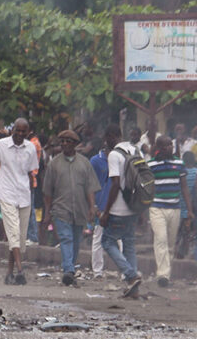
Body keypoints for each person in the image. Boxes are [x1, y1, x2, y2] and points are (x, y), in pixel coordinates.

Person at [42, 129, 100, 287]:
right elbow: (48, 191)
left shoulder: (84, 163)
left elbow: (90, 188)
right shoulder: (54, 164)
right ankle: (68, 269)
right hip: (61, 209)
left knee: (75, 241)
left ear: (75, 144)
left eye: (68, 141)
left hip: (80, 209)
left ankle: (70, 270)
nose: (65, 144)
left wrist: (92, 207)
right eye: (63, 141)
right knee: (66, 238)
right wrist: (47, 212)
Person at [0, 119, 38, 286]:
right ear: (12, 130)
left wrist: (32, 193)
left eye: (24, 132)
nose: (20, 134)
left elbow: (31, 173)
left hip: (24, 195)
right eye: (17, 131)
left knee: (19, 238)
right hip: (6, 192)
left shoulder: (30, 147)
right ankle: (21, 271)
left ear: (28, 133)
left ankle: (9, 273)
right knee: (13, 232)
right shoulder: (1, 145)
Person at [101, 124, 143, 297]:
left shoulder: (114, 155)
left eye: (106, 139)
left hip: (118, 209)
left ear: (112, 136)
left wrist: (106, 211)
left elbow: (116, 184)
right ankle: (134, 287)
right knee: (129, 245)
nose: (106, 143)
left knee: (108, 242)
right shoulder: (135, 150)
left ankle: (131, 275)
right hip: (133, 206)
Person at [148, 136, 191, 287]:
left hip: (175, 207)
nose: (170, 148)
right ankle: (163, 275)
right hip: (157, 207)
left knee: (171, 243)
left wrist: (189, 211)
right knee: (160, 239)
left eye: (171, 145)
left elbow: (184, 187)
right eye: (167, 145)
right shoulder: (151, 164)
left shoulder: (179, 163)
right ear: (159, 147)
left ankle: (166, 273)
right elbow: (147, 187)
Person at [88, 141, 111, 279]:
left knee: (119, 239)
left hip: (115, 205)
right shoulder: (96, 161)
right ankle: (97, 271)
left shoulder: (119, 159)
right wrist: (94, 205)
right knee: (98, 237)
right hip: (101, 205)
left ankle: (124, 271)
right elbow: (91, 183)